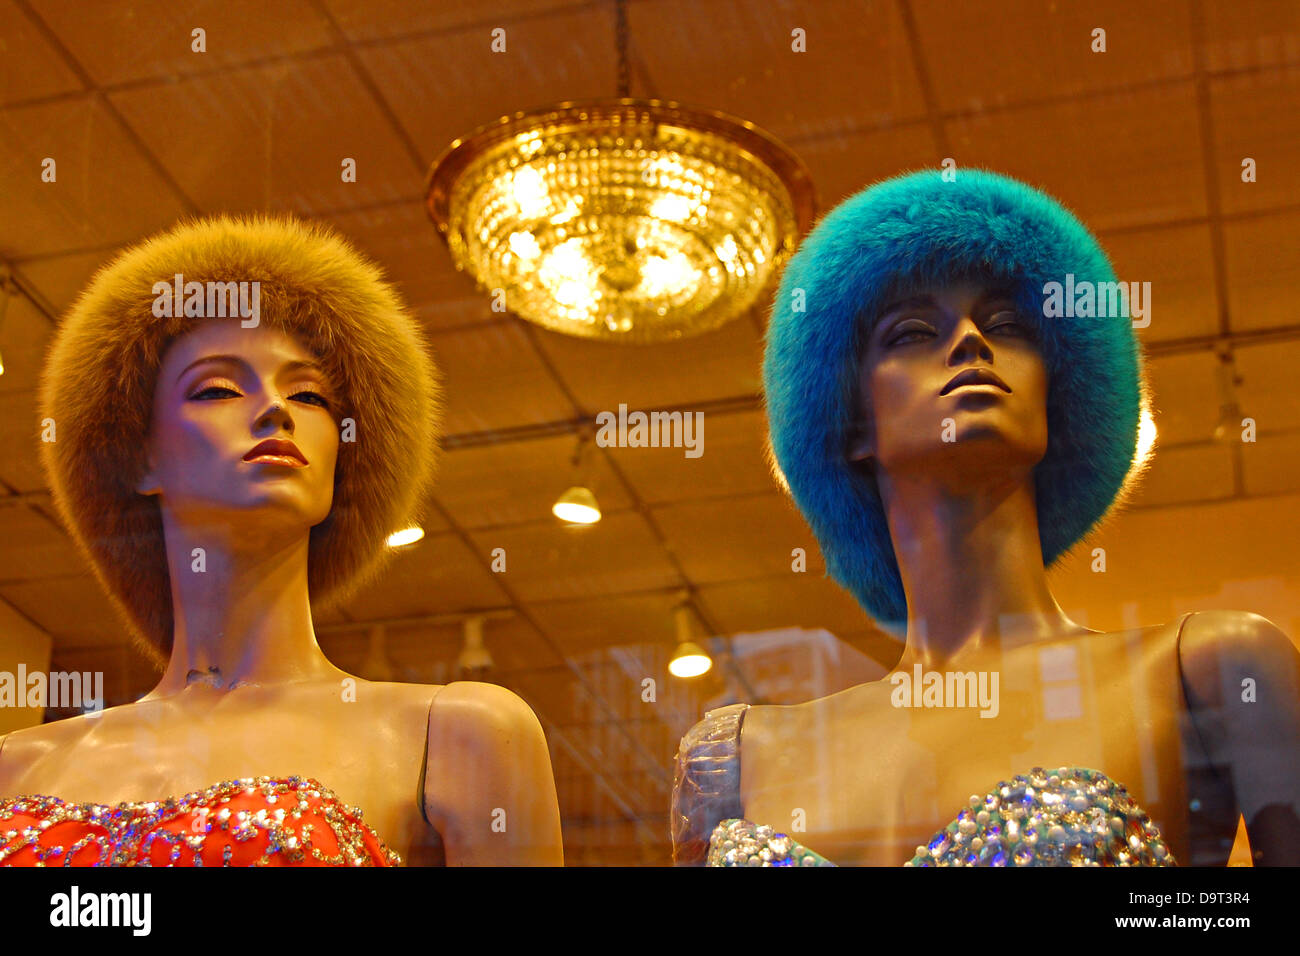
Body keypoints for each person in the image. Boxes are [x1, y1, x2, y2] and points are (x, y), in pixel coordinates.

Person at [671, 169, 1300, 866]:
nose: (971, 341)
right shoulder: (732, 762)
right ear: (850, 421)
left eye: (1007, 324)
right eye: (911, 331)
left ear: (1058, 391)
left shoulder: (1205, 671)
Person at [0, 215, 563, 866]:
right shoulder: (19, 770)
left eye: (311, 396)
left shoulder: (458, 736)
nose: (274, 410)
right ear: (138, 458)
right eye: (216, 388)